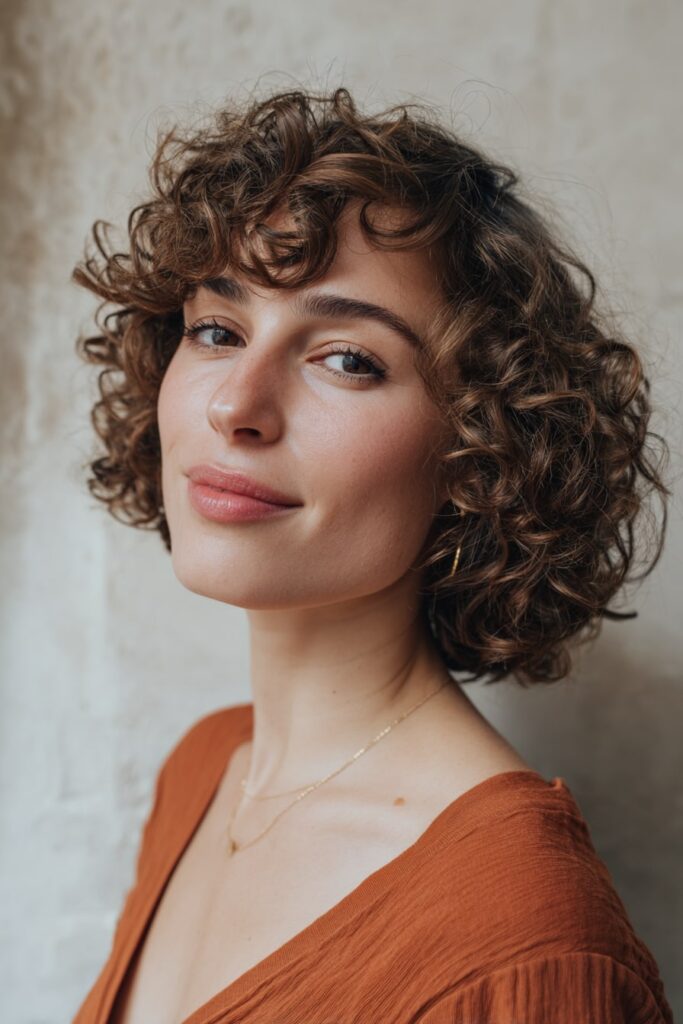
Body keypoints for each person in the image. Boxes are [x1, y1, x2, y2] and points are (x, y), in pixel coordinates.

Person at [69, 85, 674, 1023]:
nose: (237, 404)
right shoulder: (207, 768)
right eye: (217, 331)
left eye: (348, 358)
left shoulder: (524, 938)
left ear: (480, 448)